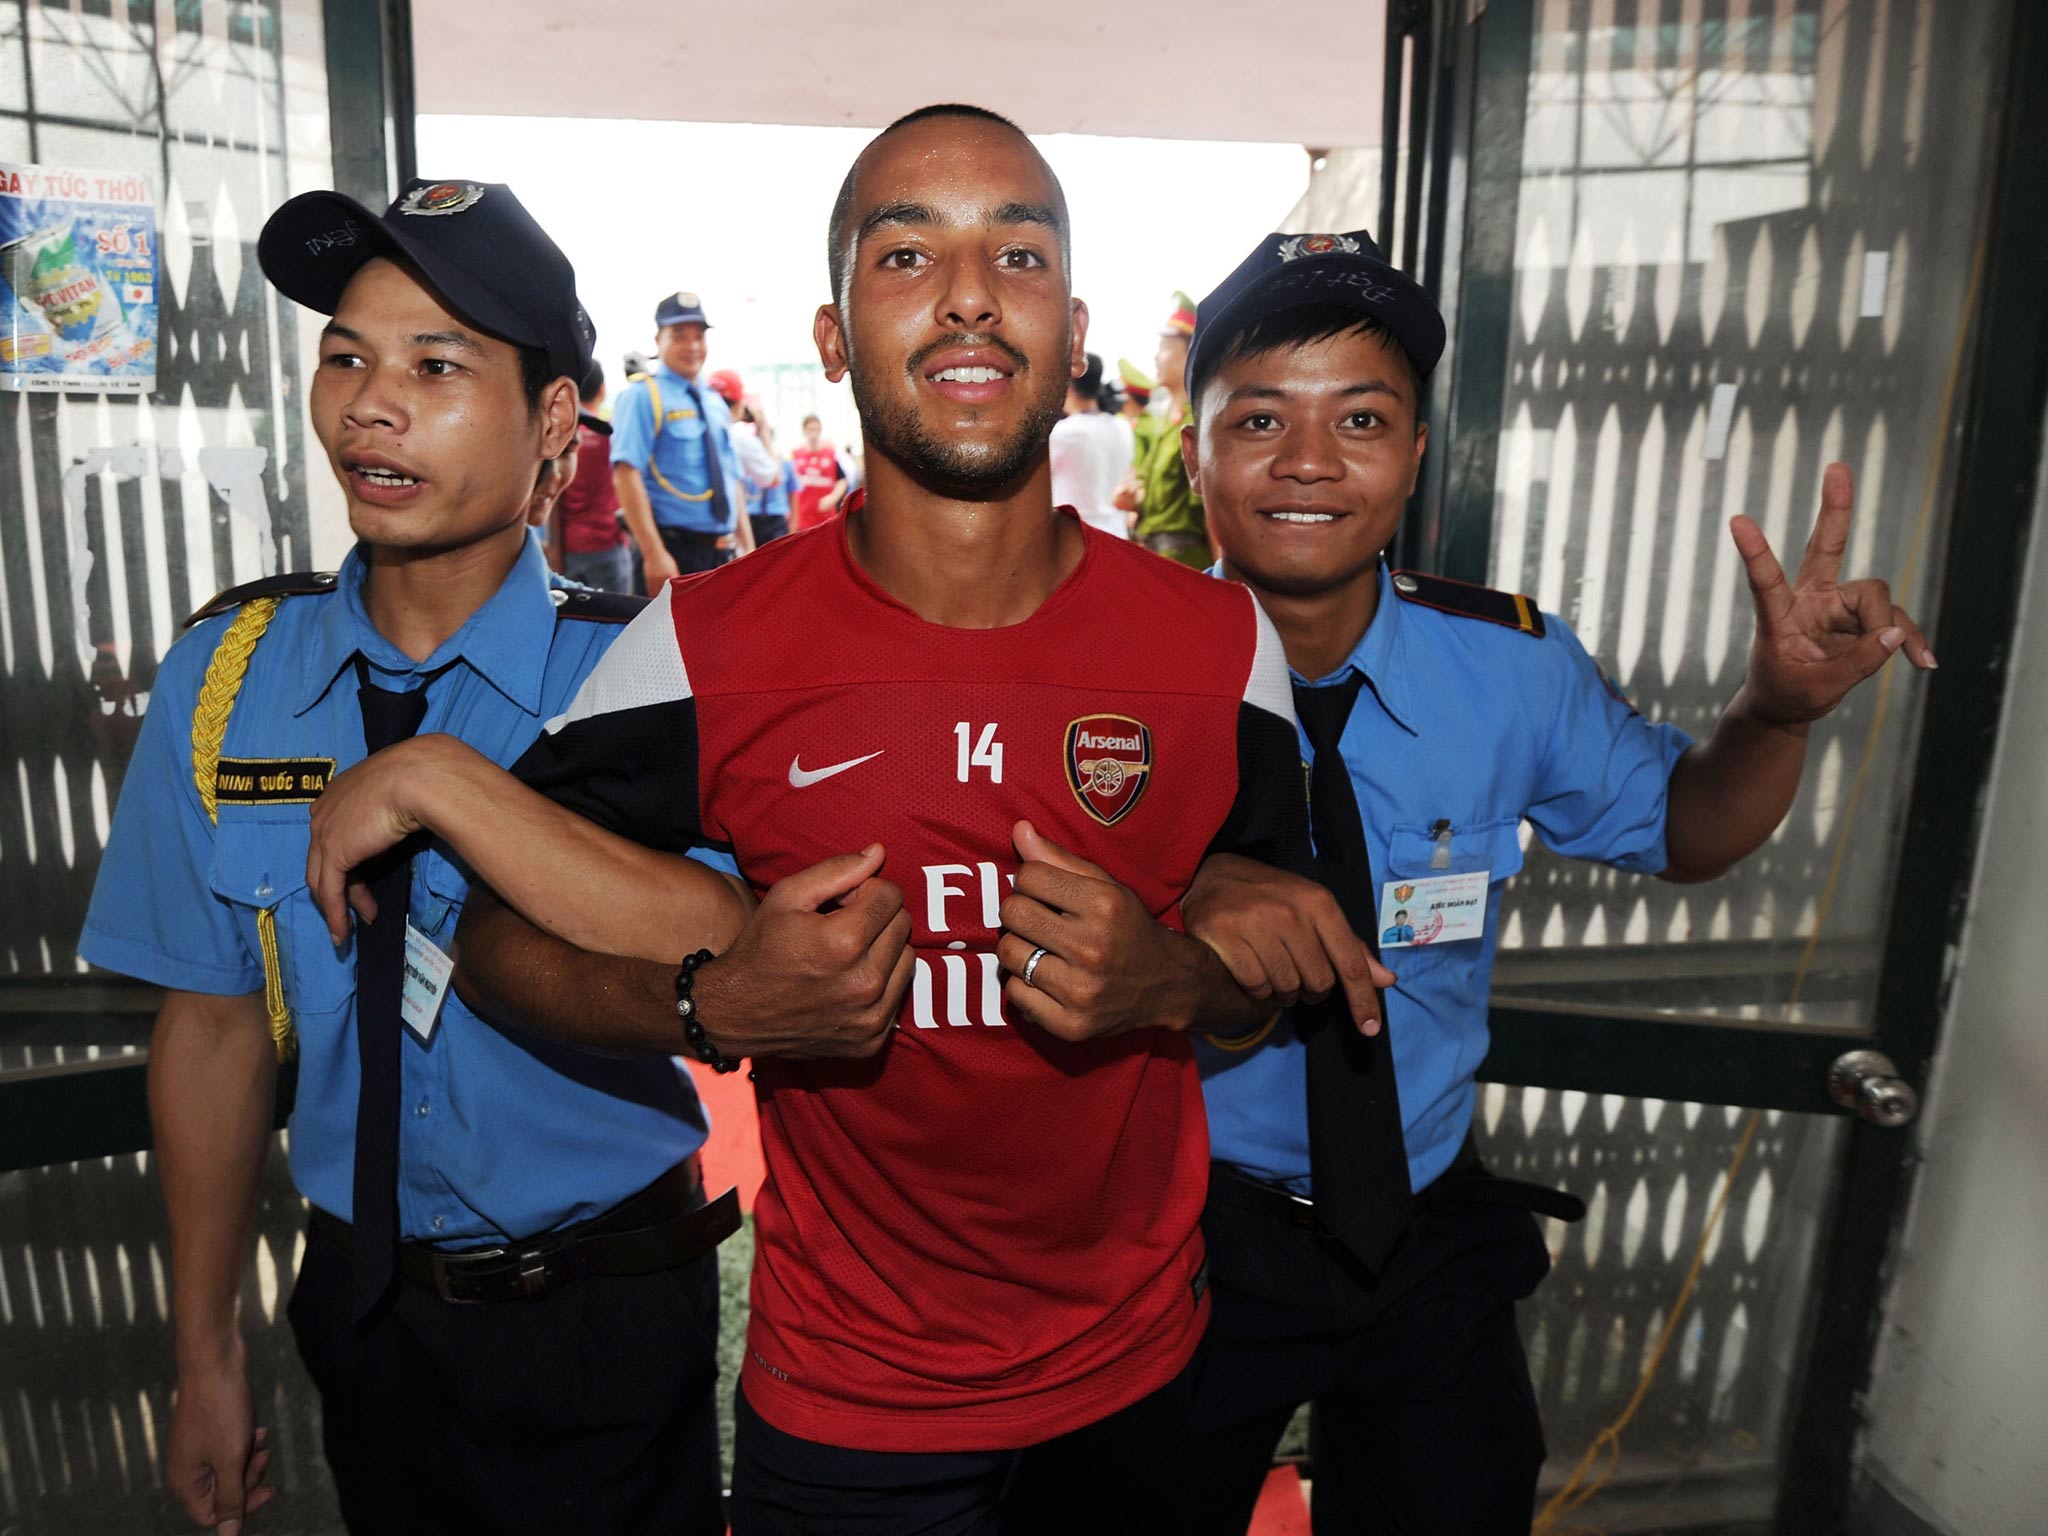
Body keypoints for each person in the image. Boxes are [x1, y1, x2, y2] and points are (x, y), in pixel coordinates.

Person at [296, 105, 1387, 1536]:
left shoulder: (1213, 644)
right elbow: (491, 939)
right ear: (830, 338)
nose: (968, 292)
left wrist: (1171, 979)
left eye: (1020, 251)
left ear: (1074, 334)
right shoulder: (707, 643)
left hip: (1137, 1375)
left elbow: (1272, 982)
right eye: (905, 253)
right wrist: (707, 1000)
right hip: (846, 1396)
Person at [1174, 227, 1937, 1535]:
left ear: (1416, 452)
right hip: (1172, 1234)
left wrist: (1775, 709)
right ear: (1195, 448)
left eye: (1361, 417)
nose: (1308, 460)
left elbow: (1685, 830)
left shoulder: (1512, 668)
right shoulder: (1105, 685)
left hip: (1420, 1224)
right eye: (1259, 416)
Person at [75, 178, 740, 1536]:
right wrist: (204, 1354)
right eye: (346, 359)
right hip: (362, 1311)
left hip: (605, 1304)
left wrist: (456, 791)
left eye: (436, 366)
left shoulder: (640, 675)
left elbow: (738, 935)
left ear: (554, 423)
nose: (371, 405)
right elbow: (210, 1034)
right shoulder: (229, 680)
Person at [610, 291, 756, 585]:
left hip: (721, 552)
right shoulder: (642, 396)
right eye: (679, 335)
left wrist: (747, 547)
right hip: (672, 550)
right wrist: (654, 554)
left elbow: (731, 480)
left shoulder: (714, 402)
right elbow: (626, 475)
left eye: (699, 336)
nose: (692, 346)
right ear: (658, 340)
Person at [1118, 294, 1210, 566]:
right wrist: (1133, 499)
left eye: (1165, 347)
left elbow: (1212, 516)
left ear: (1190, 354)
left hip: (1188, 564)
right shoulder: (1166, 424)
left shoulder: (1200, 421)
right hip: (1156, 559)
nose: (1157, 357)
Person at [554, 362, 634, 592]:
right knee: (618, 623)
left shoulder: (558, 436)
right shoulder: (611, 436)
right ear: (602, 391)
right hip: (607, 544)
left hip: (569, 548)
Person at [1049, 350, 1133, 538]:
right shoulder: (1123, 427)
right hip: (1117, 535)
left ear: (1067, 388)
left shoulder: (1064, 433)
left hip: (1078, 538)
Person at [789, 411, 849, 531]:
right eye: (810, 430)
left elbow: (842, 481)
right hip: (802, 519)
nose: (813, 434)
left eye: (816, 430)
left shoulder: (830, 456)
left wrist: (833, 497)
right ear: (804, 431)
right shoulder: (796, 456)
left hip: (825, 518)